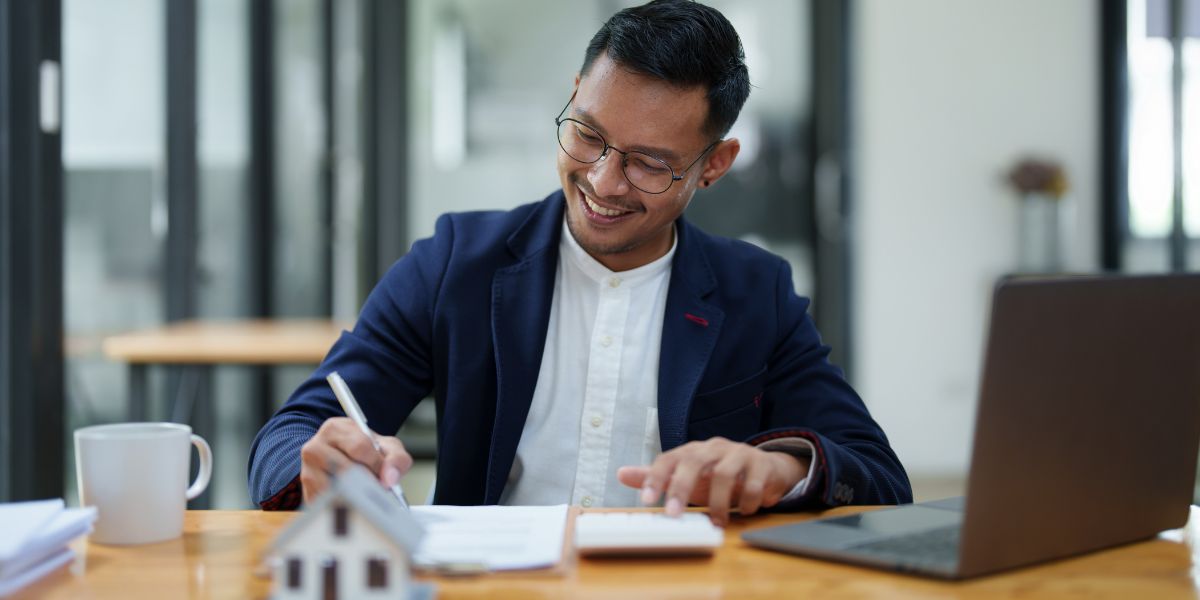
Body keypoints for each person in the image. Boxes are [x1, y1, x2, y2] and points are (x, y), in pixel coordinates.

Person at [248, 0, 911, 526]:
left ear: (714, 165)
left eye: (650, 163)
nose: (603, 180)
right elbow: (290, 434)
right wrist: (322, 461)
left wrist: (785, 468)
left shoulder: (754, 293)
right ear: (573, 94)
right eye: (588, 134)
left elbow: (878, 476)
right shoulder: (458, 264)